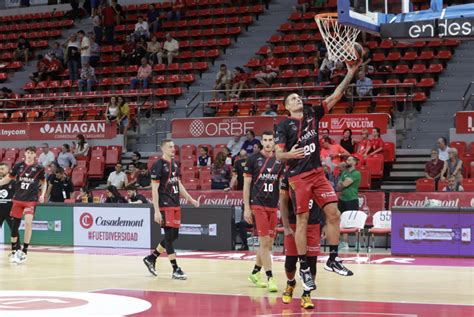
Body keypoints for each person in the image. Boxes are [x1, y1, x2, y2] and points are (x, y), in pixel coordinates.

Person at [274, 59, 360, 290]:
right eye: (292, 98)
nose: (297, 99)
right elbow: (278, 156)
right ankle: (303, 267)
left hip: (317, 174)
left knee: (334, 213)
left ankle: (333, 258)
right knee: (301, 220)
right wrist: (289, 155)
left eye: (297, 96)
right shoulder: (283, 126)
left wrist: (350, 73)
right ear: (287, 107)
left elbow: (335, 96)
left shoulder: (312, 113)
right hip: (298, 178)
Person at [143, 139, 200, 280]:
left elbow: (178, 183)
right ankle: (175, 269)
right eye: (170, 147)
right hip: (165, 205)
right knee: (169, 237)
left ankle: (152, 257)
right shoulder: (158, 165)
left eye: (174, 147)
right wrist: (156, 210)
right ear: (163, 149)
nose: (173, 149)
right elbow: (154, 190)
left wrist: (190, 199)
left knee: (174, 236)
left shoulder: (174, 164)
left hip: (175, 204)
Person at [244, 131, 284, 293]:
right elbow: (246, 185)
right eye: (265, 140)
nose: (268, 143)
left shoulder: (279, 161)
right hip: (257, 205)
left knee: (269, 243)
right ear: (262, 142)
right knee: (265, 243)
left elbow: (281, 186)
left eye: (270, 140)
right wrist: (247, 207)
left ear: (274, 142)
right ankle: (270, 278)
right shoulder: (253, 159)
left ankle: (254, 273)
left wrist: (280, 206)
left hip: (272, 206)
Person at [280, 171, 323, 309]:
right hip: (294, 224)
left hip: (313, 224)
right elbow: (283, 202)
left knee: (312, 263)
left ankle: (306, 293)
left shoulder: (318, 173)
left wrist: (327, 224)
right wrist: (285, 225)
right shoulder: (288, 175)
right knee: (290, 263)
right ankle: (291, 283)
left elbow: (326, 201)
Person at [0, 146, 46, 264]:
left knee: (28, 223)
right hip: (18, 199)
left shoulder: (39, 168)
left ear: (35, 155)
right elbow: (8, 179)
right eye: (28, 152)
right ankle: (15, 250)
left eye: (32, 153)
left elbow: (44, 182)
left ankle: (24, 251)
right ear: (25, 153)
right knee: (14, 227)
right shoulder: (18, 166)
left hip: (30, 200)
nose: (30, 155)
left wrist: (42, 195)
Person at [336, 156, 361, 250]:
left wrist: (342, 183)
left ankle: (358, 244)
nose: (347, 161)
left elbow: (345, 184)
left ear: (354, 162)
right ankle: (344, 243)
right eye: (347, 160)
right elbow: (338, 187)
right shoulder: (344, 173)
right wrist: (342, 183)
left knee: (355, 222)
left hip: (352, 199)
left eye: (350, 160)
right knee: (342, 222)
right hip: (342, 199)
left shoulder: (356, 173)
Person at [0, 163, 15, 234]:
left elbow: (17, 196)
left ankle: (16, 245)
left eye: (3, 169)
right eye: (0, 169)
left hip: (10, 211)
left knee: (14, 230)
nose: (1, 171)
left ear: (8, 170)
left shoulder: (13, 182)